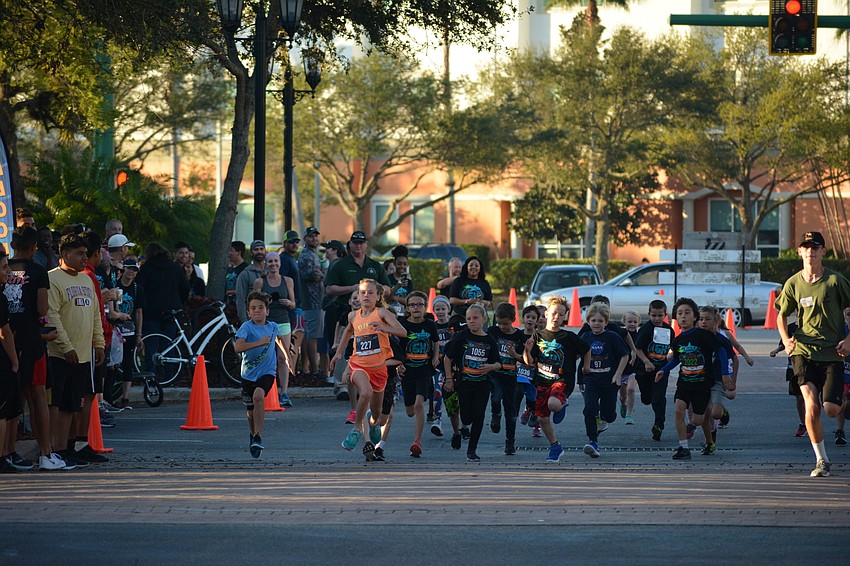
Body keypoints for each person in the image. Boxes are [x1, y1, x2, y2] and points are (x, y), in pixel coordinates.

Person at [776, 231, 850, 477]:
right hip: (804, 351)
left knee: (830, 409)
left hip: (832, 354)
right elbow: (781, 314)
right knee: (811, 404)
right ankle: (822, 461)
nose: (810, 252)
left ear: (822, 252)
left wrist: (848, 339)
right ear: (799, 251)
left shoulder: (835, 281)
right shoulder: (793, 283)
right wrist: (787, 341)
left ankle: (844, 406)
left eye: (815, 247)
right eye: (806, 247)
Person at [46, 233, 106, 469]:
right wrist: (66, 347)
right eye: (79, 253)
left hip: (83, 355)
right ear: (64, 254)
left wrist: (98, 343)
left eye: (85, 253)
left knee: (74, 404)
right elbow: (52, 316)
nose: (84, 258)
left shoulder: (87, 280)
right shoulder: (52, 279)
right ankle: (55, 449)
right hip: (60, 355)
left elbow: (94, 316)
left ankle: (70, 448)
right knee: (58, 404)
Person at [331, 279, 406, 461]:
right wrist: (338, 353)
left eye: (370, 292)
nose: (366, 296)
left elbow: (402, 332)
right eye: (363, 292)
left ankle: (372, 425)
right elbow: (348, 331)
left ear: (378, 296)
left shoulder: (382, 313)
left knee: (378, 416)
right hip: (359, 365)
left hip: (379, 368)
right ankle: (356, 429)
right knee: (365, 392)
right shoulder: (352, 316)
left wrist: (384, 327)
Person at [4, 228, 59, 470]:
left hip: (6, 340)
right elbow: (43, 308)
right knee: (38, 398)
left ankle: (9, 451)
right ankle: (46, 452)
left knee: (13, 400)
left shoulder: (4, 269)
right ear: (33, 247)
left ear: (13, 244)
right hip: (31, 340)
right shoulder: (38, 271)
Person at [655, 298, 730, 461]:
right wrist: (663, 370)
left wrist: (725, 374)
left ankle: (710, 440)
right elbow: (676, 359)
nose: (683, 317)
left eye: (687, 313)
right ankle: (683, 447)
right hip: (684, 383)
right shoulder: (677, 340)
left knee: (698, 419)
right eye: (680, 313)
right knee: (678, 410)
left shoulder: (703, 335)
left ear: (695, 316)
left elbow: (722, 351)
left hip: (703, 384)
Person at [522, 296, 589, 462]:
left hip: (562, 380)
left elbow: (586, 349)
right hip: (542, 381)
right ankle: (555, 447)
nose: (556, 317)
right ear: (546, 314)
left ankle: (561, 402)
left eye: (561, 314)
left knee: (553, 404)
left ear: (565, 316)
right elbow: (529, 362)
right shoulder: (538, 336)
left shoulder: (569, 337)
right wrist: (527, 351)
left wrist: (585, 367)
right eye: (553, 313)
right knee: (542, 418)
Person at [443, 303, 501, 461]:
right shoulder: (461, 337)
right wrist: (449, 379)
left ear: (484, 319)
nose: (471, 321)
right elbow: (447, 358)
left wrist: (490, 366)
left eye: (475, 318)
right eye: (468, 318)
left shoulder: (489, 340)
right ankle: (464, 428)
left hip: (482, 384)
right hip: (464, 382)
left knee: (479, 416)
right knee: (467, 417)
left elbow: (498, 363)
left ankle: (472, 449)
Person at [234, 291, 285, 458]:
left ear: (267, 311)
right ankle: (252, 434)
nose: (257, 311)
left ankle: (258, 436)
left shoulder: (272, 327)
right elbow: (238, 348)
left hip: (268, 371)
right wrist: (258, 343)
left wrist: (287, 358)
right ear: (248, 312)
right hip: (248, 374)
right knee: (250, 411)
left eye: (261, 308)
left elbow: (279, 340)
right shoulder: (246, 328)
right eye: (253, 308)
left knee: (258, 396)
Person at [579, 303, 630, 458]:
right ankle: (593, 441)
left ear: (606, 322)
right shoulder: (585, 338)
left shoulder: (612, 337)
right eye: (593, 320)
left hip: (609, 380)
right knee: (590, 408)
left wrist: (618, 374)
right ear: (588, 321)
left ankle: (607, 416)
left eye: (600, 321)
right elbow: (574, 353)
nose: (596, 324)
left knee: (608, 415)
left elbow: (625, 355)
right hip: (591, 380)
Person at [136, 242, 189, 374]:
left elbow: (139, 289)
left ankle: (150, 374)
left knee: (151, 345)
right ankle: (169, 374)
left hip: (150, 312)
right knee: (169, 343)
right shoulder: (175, 268)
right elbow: (185, 289)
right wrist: (178, 303)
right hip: (172, 311)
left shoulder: (146, 268)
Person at [398, 290, 439, 457]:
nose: (416, 308)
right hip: (408, 369)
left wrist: (435, 356)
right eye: (412, 305)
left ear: (424, 307)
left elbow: (435, 341)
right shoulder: (402, 324)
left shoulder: (430, 324)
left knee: (418, 404)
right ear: (407, 308)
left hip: (424, 369)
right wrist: (399, 364)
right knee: (410, 411)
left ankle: (417, 441)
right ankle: (424, 410)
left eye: (420, 304)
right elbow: (397, 347)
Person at [252, 252, 295, 407]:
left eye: (276, 261)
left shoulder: (288, 281)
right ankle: (265, 391)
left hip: (283, 322)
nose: (273, 264)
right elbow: (253, 304)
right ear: (266, 264)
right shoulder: (260, 282)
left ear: (280, 263)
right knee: (265, 357)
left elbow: (294, 304)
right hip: (265, 324)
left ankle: (284, 392)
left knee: (283, 358)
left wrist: (288, 303)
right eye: (270, 262)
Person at [697, 306, 737, 455]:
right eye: (701, 319)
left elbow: (733, 359)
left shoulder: (721, 340)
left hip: (717, 380)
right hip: (700, 379)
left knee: (715, 414)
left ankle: (722, 412)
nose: (703, 322)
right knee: (703, 414)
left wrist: (732, 379)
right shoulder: (695, 337)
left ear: (716, 321)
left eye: (708, 319)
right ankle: (710, 442)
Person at [487, 302, 525, 455]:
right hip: (495, 374)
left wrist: (516, 355)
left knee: (511, 413)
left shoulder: (519, 336)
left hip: (511, 378)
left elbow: (526, 359)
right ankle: (495, 415)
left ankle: (510, 441)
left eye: (506, 323)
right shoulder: (492, 332)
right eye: (499, 323)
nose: (502, 326)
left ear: (514, 319)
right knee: (495, 396)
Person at [634, 299, 673, 441]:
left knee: (658, 398)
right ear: (649, 314)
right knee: (646, 399)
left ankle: (658, 425)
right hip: (644, 370)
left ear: (665, 315)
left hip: (661, 370)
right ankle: (647, 397)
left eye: (660, 315)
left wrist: (670, 356)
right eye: (654, 315)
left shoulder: (669, 330)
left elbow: (672, 348)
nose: (657, 319)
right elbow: (637, 348)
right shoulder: (646, 330)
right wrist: (646, 361)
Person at [109, 257, 145, 409]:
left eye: (134, 270)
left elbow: (139, 312)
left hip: (129, 329)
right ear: (124, 269)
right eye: (129, 268)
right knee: (112, 363)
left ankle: (125, 397)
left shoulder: (138, 289)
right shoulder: (114, 286)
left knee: (128, 362)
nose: (131, 272)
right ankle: (109, 396)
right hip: (115, 328)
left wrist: (139, 334)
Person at [324, 230, 391, 311]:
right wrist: (353, 288)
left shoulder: (375, 265)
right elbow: (330, 289)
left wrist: (372, 289)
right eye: (355, 243)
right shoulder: (340, 265)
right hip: (346, 309)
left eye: (361, 243)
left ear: (366, 244)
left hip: (371, 310)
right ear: (350, 244)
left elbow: (387, 289)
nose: (358, 246)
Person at [0, 247, 23, 473]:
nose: (9, 271)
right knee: (4, 410)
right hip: (3, 360)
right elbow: (4, 332)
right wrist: (15, 361)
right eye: (5, 267)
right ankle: (3, 455)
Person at [297, 227, 326, 380]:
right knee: (311, 337)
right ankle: (314, 371)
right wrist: (322, 274)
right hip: (311, 301)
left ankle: (310, 369)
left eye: (316, 236)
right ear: (305, 239)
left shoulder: (313, 254)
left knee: (311, 335)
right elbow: (308, 274)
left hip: (316, 301)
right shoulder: (306, 255)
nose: (314, 239)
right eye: (311, 236)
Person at [770, 320, 806, 437]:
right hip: (793, 367)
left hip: (810, 366)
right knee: (799, 398)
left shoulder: (812, 325)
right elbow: (784, 343)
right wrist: (776, 350)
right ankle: (803, 423)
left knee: (811, 397)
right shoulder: (791, 327)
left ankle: (812, 422)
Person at [430, 295, 453, 437]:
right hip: (438, 365)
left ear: (448, 309)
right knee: (437, 391)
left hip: (452, 366)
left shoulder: (453, 326)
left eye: (443, 308)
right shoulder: (432, 326)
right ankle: (437, 420)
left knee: (453, 395)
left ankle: (461, 425)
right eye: (437, 309)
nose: (440, 311)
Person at [236, 240, 267, 323]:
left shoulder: (271, 271)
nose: (259, 252)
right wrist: (244, 321)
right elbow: (240, 299)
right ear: (251, 253)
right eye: (256, 249)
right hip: (253, 319)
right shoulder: (245, 274)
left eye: (261, 249)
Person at [620, 310, 641, 425]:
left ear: (639, 323)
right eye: (629, 321)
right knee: (623, 396)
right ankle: (623, 404)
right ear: (623, 322)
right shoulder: (620, 335)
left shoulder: (639, 336)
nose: (632, 324)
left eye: (635, 322)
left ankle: (629, 414)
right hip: (622, 369)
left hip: (634, 369)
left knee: (631, 389)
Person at [387, 245, 413, 317]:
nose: (402, 266)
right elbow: (385, 299)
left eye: (405, 264)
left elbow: (409, 301)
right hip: (389, 315)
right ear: (394, 263)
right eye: (399, 264)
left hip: (404, 316)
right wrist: (397, 287)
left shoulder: (408, 281)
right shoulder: (388, 279)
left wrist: (395, 298)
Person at [224, 241, 248, 306]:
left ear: (238, 252)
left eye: (231, 250)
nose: (229, 253)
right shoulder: (229, 269)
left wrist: (230, 292)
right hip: (228, 305)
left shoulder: (246, 269)